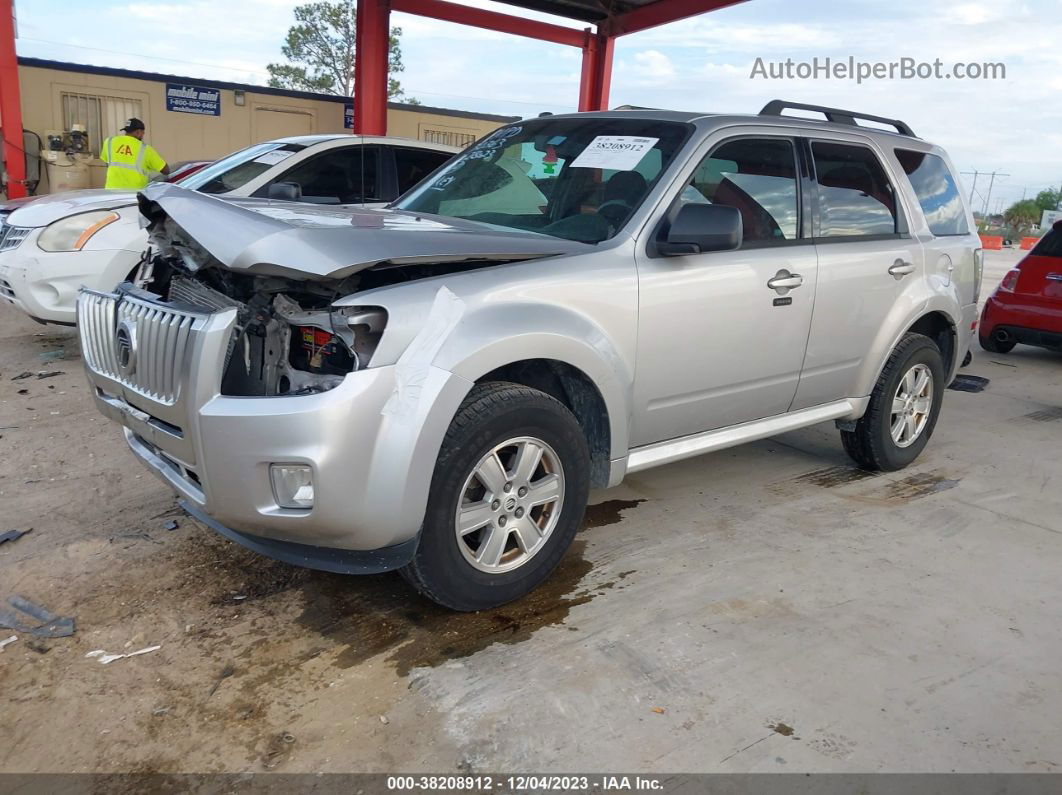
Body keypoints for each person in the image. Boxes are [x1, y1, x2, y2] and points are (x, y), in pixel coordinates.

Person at [100, 118, 169, 190]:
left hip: (111, 192)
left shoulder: (109, 142)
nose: (143, 135)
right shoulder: (145, 149)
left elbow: (107, 162)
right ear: (138, 132)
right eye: (143, 133)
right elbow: (166, 170)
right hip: (133, 194)